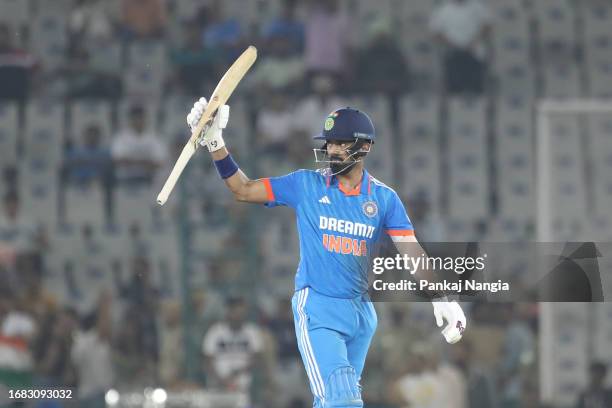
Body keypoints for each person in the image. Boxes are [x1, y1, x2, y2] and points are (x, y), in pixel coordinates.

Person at [185, 97, 467, 407]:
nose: (332, 150)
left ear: (364, 147)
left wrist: (442, 297)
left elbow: (412, 252)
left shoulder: (384, 199)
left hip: (361, 314)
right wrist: (215, 142)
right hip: (318, 309)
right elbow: (243, 189)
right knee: (342, 399)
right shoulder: (305, 185)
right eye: (329, 143)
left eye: (341, 144)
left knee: (331, 401)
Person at [429, 0, 492, 95]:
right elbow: (436, 32)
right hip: (452, 53)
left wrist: (473, 42)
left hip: (474, 53)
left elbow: (487, 26)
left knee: (475, 89)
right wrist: (453, 44)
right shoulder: (442, 9)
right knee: (454, 89)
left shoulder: (478, 6)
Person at [202, 296, 263, 394]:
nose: (238, 315)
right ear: (228, 312)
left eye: (241, 312)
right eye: (234, 311)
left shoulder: (252, 331)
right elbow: (207, 362)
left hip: (243, 387)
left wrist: (236, 373)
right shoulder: (215, 331)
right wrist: (222, 380)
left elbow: (257, 359)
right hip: (217, 385)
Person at [111, 105, 166, 185]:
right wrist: (144, 163)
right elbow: (117, 160)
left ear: (145, 119)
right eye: (135, 118)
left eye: (140, 118)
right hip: (126, 179)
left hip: (149, 179)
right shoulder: (121, 137)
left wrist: (132, 162)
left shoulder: (154, 137)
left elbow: (160, 162)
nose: (138, 121)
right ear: (130, 120)